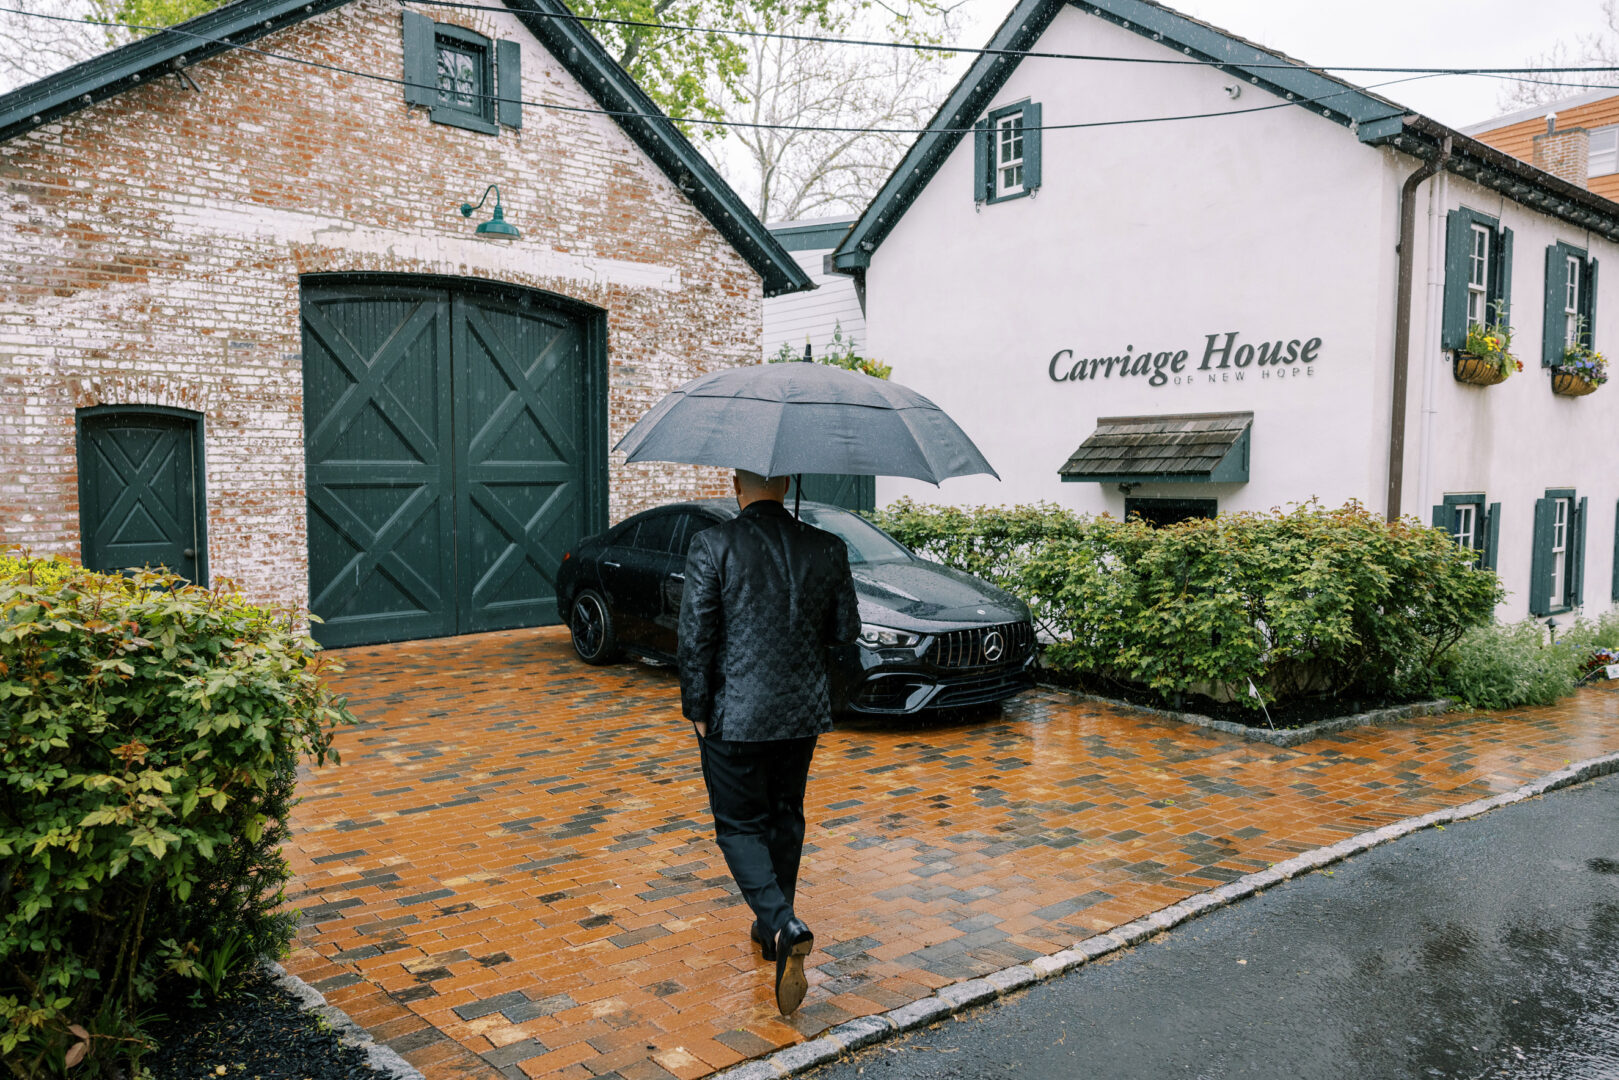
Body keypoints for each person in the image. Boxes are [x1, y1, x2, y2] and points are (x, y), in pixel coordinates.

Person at [677, 470, 861, 1016]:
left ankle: (783, 924)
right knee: (786, 816)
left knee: (738, 826)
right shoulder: (827, 547)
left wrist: (697, 710)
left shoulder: (712, 545)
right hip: (800, 714)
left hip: (736, 715)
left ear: (737, 485)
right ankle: (769, 928)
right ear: (786, 483)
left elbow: (695, 636)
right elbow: (845, 631)